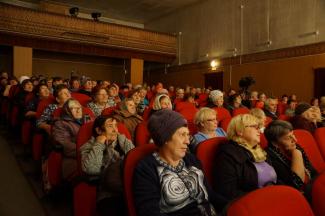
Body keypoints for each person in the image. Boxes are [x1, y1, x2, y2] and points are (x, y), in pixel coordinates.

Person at [133, 109, 227, 215]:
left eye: (188, 135)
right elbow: (149, 212)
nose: (187, 141)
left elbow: (209, 194)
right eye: (182, 135)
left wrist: (230, 207)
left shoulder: (192, 159)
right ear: (165, 138)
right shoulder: (147, 168)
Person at [214, 114, 277, 201]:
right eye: (255, 127)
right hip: (252, 202)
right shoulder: (228, 154)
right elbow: (228, 192)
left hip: (271, 195)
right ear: (240, 131)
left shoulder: (259, 151)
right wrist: (262, 198)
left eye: (259, 127)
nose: (259, 131)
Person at [81, 115, 134, 216]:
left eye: (116, 126)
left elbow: (133, 162)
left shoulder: (123, 141)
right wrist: (99, 144)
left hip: (129, 186)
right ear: (99, 130)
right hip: (108, 192)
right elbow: (91, 169)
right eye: (110, 126)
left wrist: (123, 140)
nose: (115, 130)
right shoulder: (89, 147)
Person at [264, 120, 318, 201]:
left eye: (293, 135)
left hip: (313, 188)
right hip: (299, 198)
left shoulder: (294, 146)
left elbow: (313, 172)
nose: (295, 140)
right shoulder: (269, 157)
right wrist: (297, 154)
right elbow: (297, 185)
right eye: (288, 137)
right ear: (275, 143)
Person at [52, 98, 91, 180]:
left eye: (79, 107)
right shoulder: (61, 124)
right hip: (75, 158)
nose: (78, 110)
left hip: (94, 154)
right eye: (73, 108)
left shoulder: (89, 120)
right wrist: (89, 151)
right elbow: (65, 144)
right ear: (67, 111)